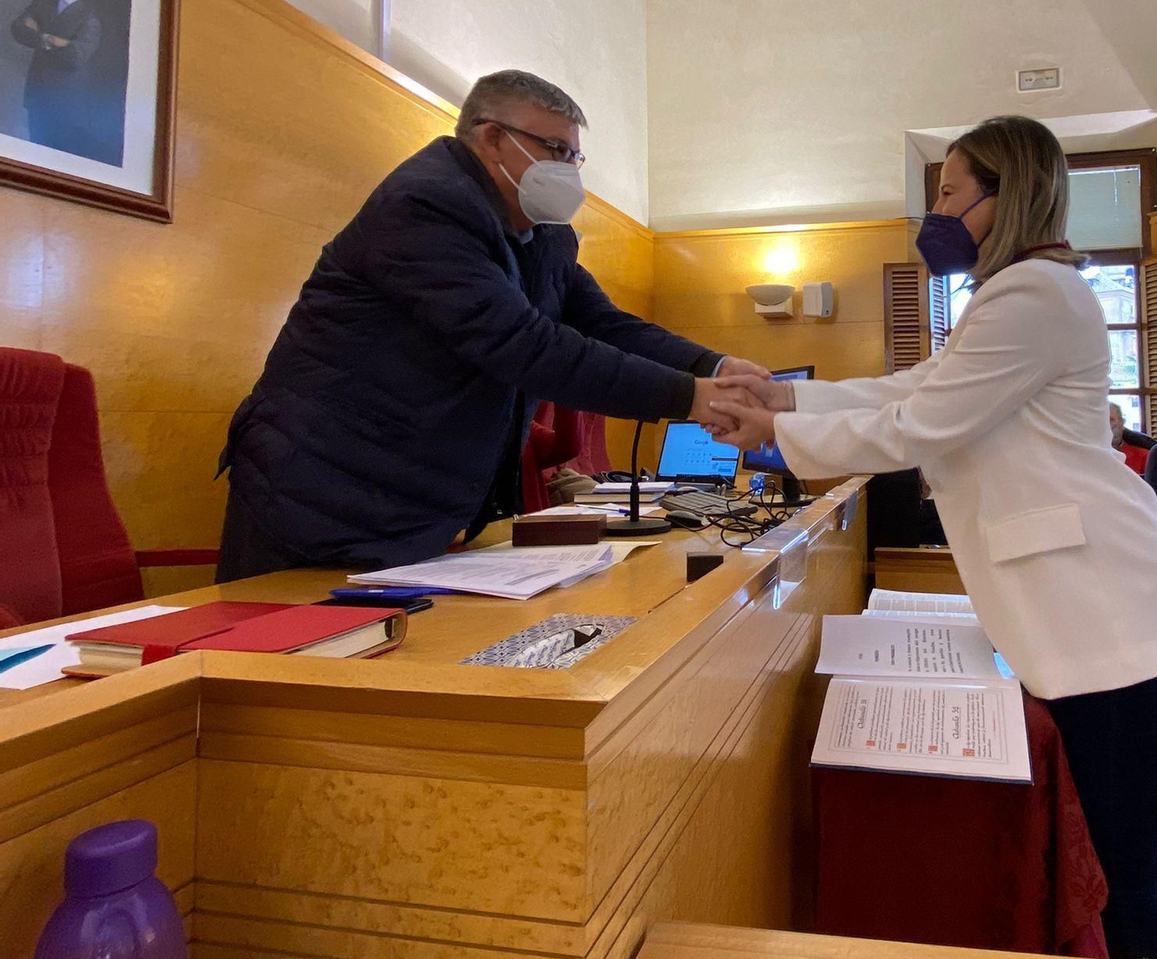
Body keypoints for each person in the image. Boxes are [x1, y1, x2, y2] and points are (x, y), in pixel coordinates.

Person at [711, 116, 1157, 959]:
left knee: (1124, 871)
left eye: (949, 192)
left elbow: (922, 426)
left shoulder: (1032, 295)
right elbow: (914, 385)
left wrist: (768, 434)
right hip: (1092, 615)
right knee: (1104, 860)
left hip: (1114, 618)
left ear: (1002, 196)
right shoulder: (1016, 295)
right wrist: (786, 400)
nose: (936, 210)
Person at [216, 69, 765, 579]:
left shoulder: (544, 233)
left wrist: (713, 366)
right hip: (326, 487)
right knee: (301, 668)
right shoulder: (424, 205)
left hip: (417, 495)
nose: (568, 169)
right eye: (554, 149)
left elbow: (602, 323)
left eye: (574, 156)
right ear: (493, 138)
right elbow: (521, 345)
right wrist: (695, 398)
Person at [8, 0, 101, 153]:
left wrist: (40, 34)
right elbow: (18, 29)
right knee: (35, 154)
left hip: (67, 103)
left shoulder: (88, 17)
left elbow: (77, 56)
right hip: (37, 94)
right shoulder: (41, 2)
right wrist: (53, 40)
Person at [1109, 401, 1148, 475]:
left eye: (1110, 419)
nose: (1106, 425)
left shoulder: (1144, 457)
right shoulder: (1086, 457)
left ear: (1122, 422)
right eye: (1102, 421)